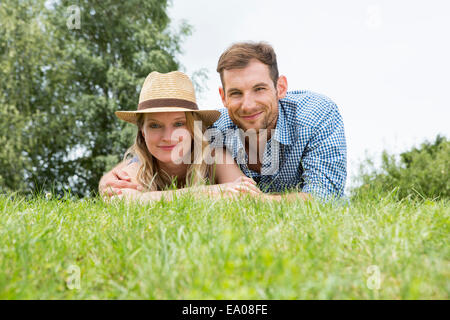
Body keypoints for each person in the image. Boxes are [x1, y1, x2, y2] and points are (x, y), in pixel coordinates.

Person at [101, 41, 347, 201]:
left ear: (280, 87)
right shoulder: (214, 131)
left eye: (259, 89)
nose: (248, 104)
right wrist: (108, 182)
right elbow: (152, 154)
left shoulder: (315, 116)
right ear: (223, 96)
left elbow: (324, 199)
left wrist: (258, 201)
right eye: (236, 93)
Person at [100, 70, 261, 202]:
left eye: (178, 124)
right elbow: (121, 202)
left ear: (193, 128)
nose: (168, 136)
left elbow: (247, 196)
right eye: (155, 125)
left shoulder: (215, 158)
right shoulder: (139, 168)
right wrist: (214, 192)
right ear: (143, 132)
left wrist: (146, 199)